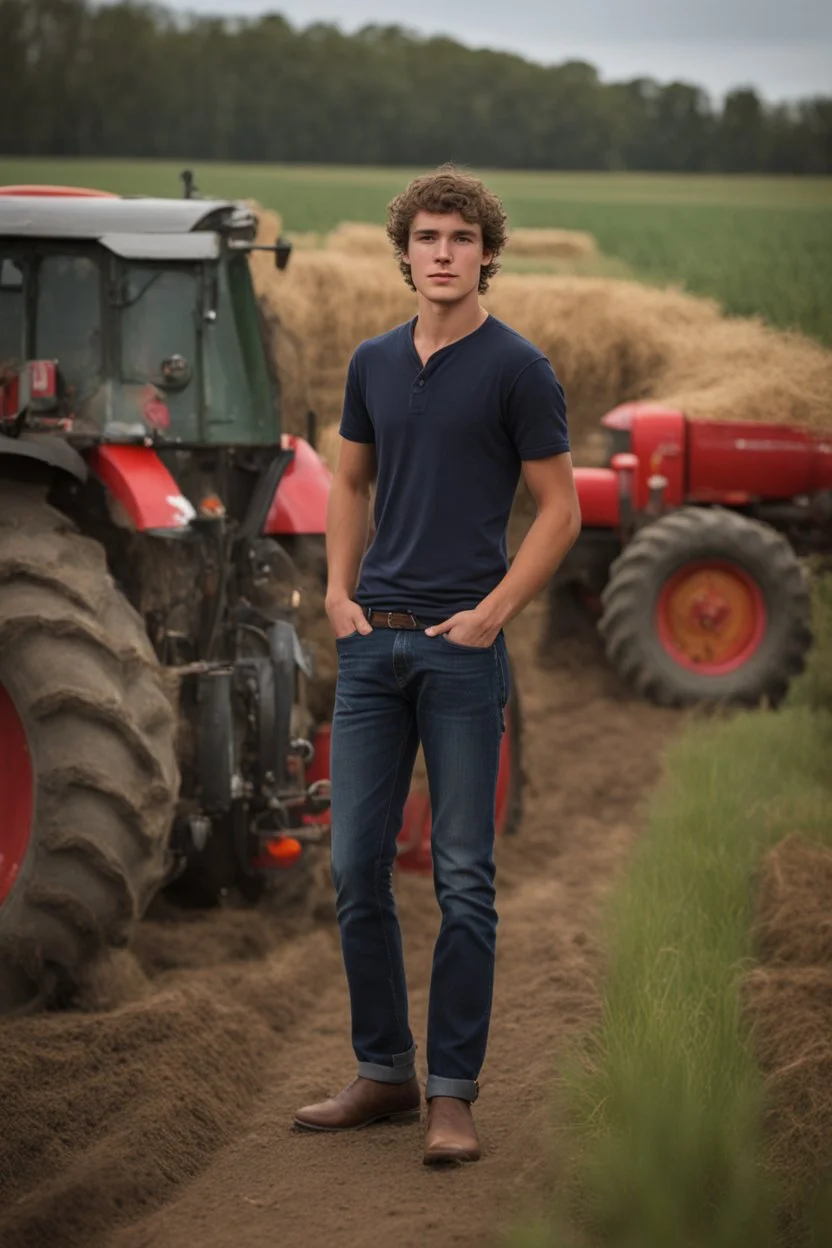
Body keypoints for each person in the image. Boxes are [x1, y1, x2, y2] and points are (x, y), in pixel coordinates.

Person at [294, 165, 580, 1164]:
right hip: (373, 649)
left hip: (463, 655)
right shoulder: (372, 361)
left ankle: (452, 1094)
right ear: (405, 252)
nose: (443, 253)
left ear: (486, 252)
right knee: (352, 869)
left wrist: (494, 615)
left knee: (462, 878)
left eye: (460, 237)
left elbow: (561, 508)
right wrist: (337, 595)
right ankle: (383, 1072)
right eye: (427, 238)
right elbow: (349, 480)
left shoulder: (518, 368)